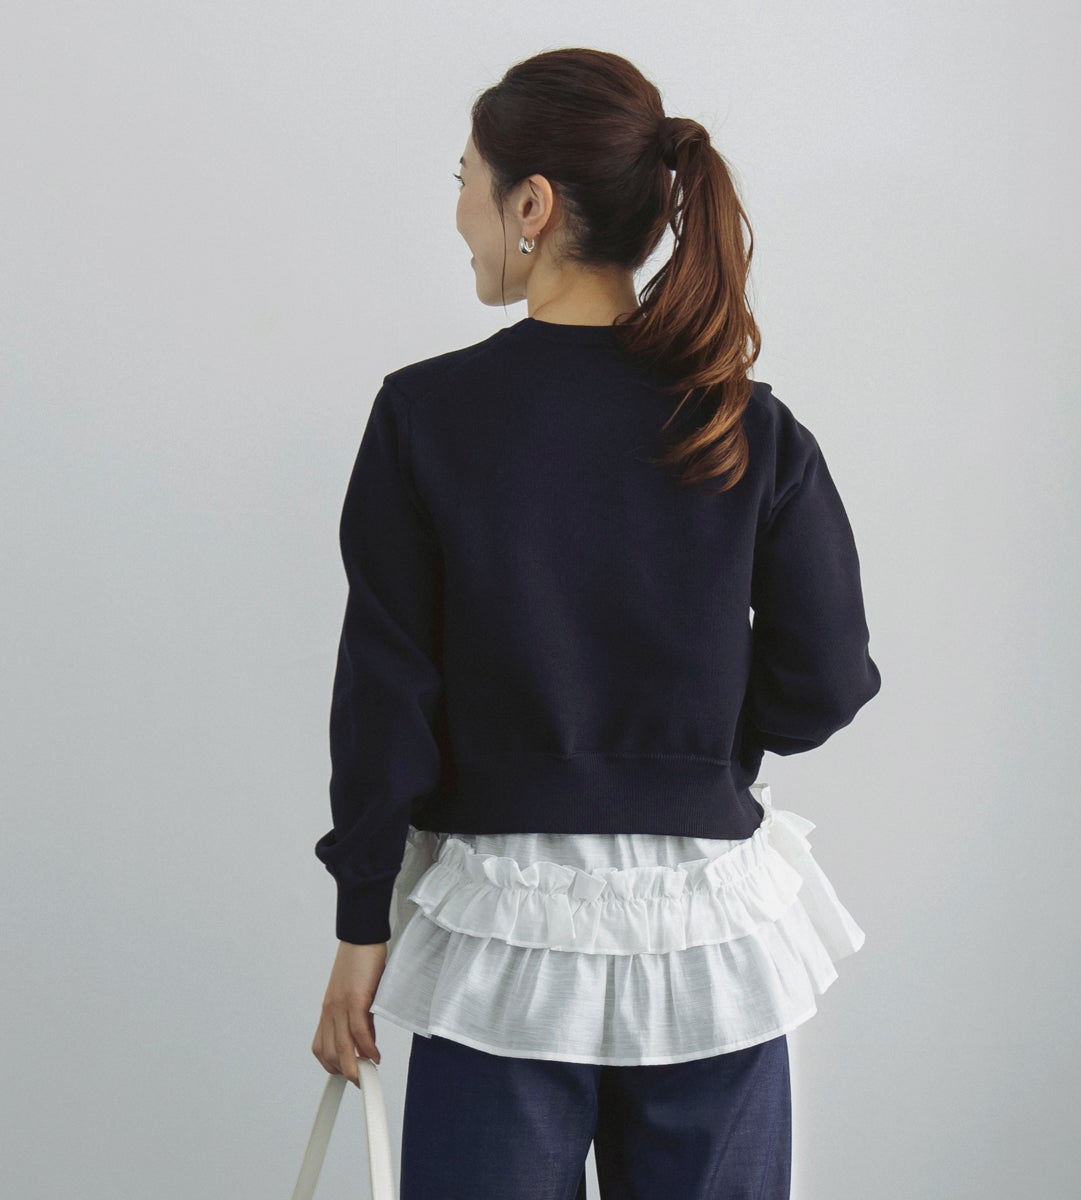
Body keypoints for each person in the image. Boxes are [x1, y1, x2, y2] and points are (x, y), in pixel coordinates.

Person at [310, 46, 882, 1199]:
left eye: (466, 180)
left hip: (503, 940)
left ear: (531, 206)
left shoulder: (426, 415)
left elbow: (387, 697)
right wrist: (699, 756)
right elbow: (825, 677)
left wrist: (362, 924)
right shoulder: (748, 425)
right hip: (711, 936)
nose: (459, 213)